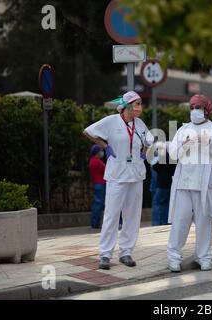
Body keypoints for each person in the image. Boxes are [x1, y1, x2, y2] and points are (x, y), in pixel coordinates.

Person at [83, 91, 153, 270]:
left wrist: (144, 151)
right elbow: (88, 131)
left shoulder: (141, 124)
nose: (140, 108)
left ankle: (126, 252)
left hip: (136, 174)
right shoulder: (111, 121)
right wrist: (105, 146)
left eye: (141, 104)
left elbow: (148, 140)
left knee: (132, 216)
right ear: (127, 106)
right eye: (137, 104)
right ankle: (105, 254)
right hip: (117, 175)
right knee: (112, 214)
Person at [166, 94, 212, 272]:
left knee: (204, 223)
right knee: (180, 221)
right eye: (192, 107)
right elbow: (172, 155)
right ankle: (173, 257)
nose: (195, 111)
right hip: (183, 184)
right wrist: (184, 145)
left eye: (199, 107)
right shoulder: (183, 129)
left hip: (205, 184)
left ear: (207, 110)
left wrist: (208, 144)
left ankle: (204, 257)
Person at [151, 142, 176, 226]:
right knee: (166, 203)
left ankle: (156, 222)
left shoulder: (163, 157)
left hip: (161, 183)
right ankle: (165, 221)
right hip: (169, 183)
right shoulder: (173, 157)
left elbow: (155, 167)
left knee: (157, 203)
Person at [88, 144, 106, 229]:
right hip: (101, 183)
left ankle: (95, 222)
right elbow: (106, 169)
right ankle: (95, 223)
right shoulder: (96, 161)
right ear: (97, 152)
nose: (102, 152)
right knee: (99, 204)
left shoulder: (92, 161)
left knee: (97, 203)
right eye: (100, 151)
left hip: (97, 183)